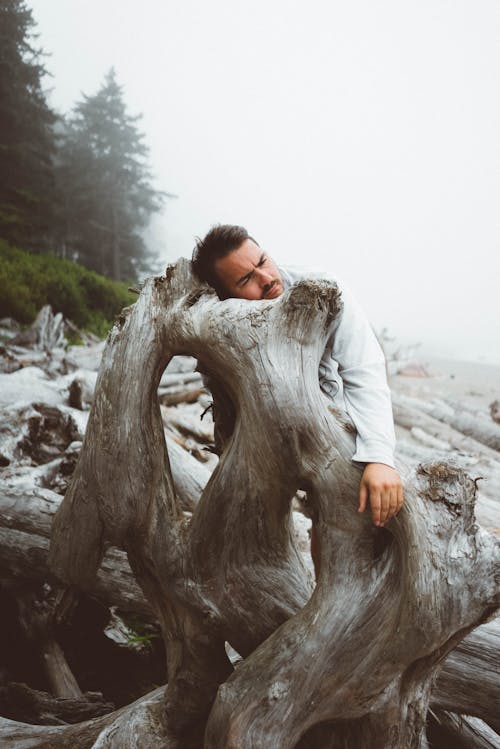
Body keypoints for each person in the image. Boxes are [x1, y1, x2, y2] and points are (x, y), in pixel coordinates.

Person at [192, 224, 403, 529]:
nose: (265, 279)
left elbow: (364, 367)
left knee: (334, 519)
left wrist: (380, 457)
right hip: (249, 426)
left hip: (325, 418)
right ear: (227, 296)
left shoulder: (323, 288)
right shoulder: (217, 317)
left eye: (262, 261)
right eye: (246, 279)